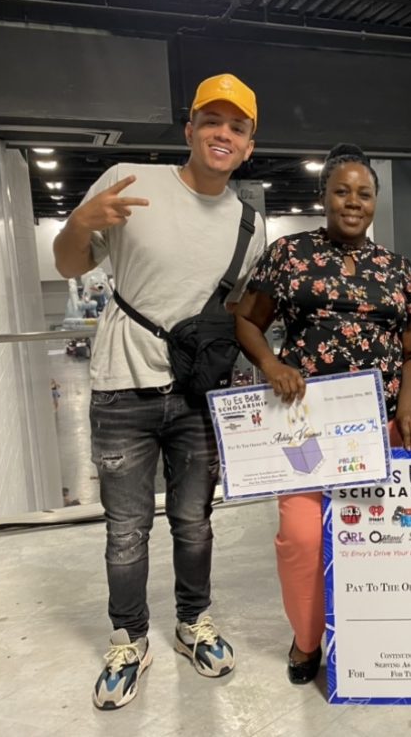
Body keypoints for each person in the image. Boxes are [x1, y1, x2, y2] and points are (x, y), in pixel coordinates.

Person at [53, 73, 266, 710]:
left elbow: (241, 310)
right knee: (126, 529)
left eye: (237, 127)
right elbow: (68, 263)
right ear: (190, 129)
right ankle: (129, 639)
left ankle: (192, 622)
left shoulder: (250, 223)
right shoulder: (129, 180)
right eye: (212, 121)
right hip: (123, 387)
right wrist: (78, 223)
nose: (223, 134)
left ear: (249, 145)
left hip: (197, 395)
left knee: (194, 523)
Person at [234, 143, 411, 685]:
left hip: (381, 428)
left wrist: (409, 407)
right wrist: (271, 364)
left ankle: (377, 634)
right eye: (341, 191)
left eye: (363, 193)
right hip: (307, 429)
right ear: (323, 196)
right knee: (301, 539)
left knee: (384, 536)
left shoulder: (397, 269)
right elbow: (247, 321)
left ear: (375, 202)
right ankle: (306, 641)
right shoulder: (289, 255)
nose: (352, 202)